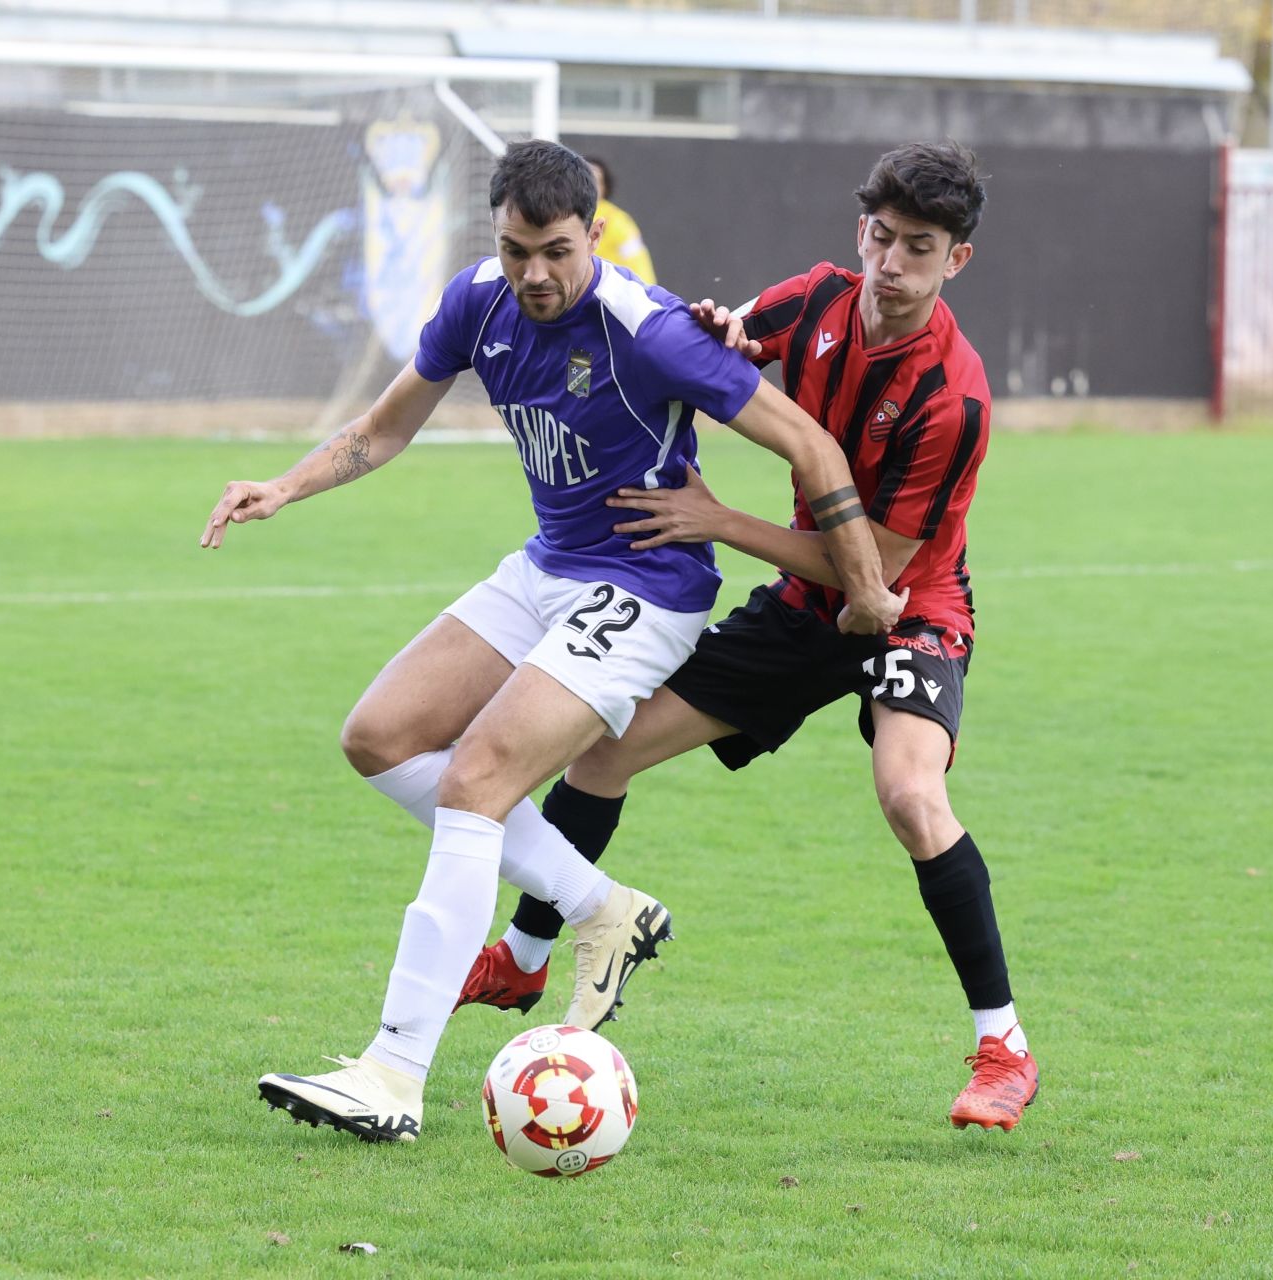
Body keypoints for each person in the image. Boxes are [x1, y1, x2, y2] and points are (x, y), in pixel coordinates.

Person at [199, 139, 905, 1144]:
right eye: (517, 247)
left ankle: (392, 1072)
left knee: (475, 779)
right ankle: (601, 903)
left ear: (594, 234)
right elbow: (385, 427)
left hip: (649, 586)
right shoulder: (477, 301)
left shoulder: (648, 330)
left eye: (558, 251)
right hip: (545, 568)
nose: (536, 272)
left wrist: (869, 587)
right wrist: (283, 486)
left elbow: (811, 443)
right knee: (378, 735)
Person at [458, 142, 1039, 1132]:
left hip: (909, 606)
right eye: (883, 238)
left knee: (909, 791)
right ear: (863, 232)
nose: (893, 264)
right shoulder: (815, 299)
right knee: (603, 746)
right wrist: (720, 332)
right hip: (803, 610)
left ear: (957, 261)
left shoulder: (956, 396)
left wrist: (717, 518)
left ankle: (1002, 1045)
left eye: (921, 248)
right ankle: (523, 952)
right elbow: (723, 347)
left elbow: (874, 571)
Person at [588, 156, 657, 284]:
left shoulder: (619, 222)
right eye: (585, 179)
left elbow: (638, 263)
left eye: (595, 181)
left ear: (605, 187)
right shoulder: (563, 216)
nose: (589, 185)